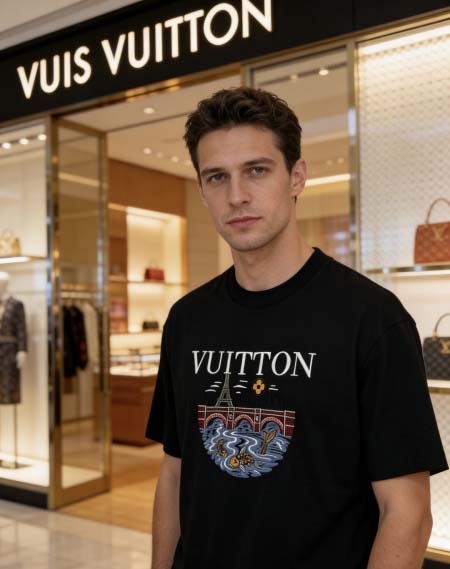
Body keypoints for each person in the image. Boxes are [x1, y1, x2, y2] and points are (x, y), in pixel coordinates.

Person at [146, 87, 448, 569]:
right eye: (217, 177)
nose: (237, 195)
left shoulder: (372, 319)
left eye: (257, 170)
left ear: (297, 177)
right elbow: (175, 472)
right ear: (202, 190)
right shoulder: (187, 320)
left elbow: (407, 512)